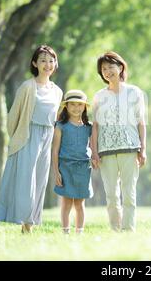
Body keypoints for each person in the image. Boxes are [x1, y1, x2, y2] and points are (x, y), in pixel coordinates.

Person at [0, 45, 63, 233]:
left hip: (47, 136)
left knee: (41, 179)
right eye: (42, 60)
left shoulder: (57, 91)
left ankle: (31, 222)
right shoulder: (27, 87)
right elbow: (13, 116)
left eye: (51, 60)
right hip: (28, 135)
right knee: (27, 180)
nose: (47, 64)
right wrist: (18, 136)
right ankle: (25, 224)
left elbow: (56, 118)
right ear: (35, 63)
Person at [91, 51, 146, 232]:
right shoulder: (99, 96)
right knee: (112, 196)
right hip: (106, 152)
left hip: (130, 148)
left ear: (120, 67)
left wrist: (143, 149)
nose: (107, 72)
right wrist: (94, 151)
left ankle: (128, 229)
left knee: (129, 194)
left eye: (110, 67)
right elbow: (95, 126)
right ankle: (116, 229)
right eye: (103, 69)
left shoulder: (134, 92)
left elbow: (141, 122)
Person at [52, 90, 94, 234]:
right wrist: (56, 171)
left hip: (83, 167)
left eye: (80, 105)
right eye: (72, 105)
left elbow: (93, 146)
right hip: (65, 167)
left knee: (80, 203)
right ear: (66, 107)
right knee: (67, 201)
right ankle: (65, 231)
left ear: (84, 107)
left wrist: (94, 157)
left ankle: (79, 231)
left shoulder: (89, 126)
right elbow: (55, 150)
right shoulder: (60, 126)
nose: (76, 108)